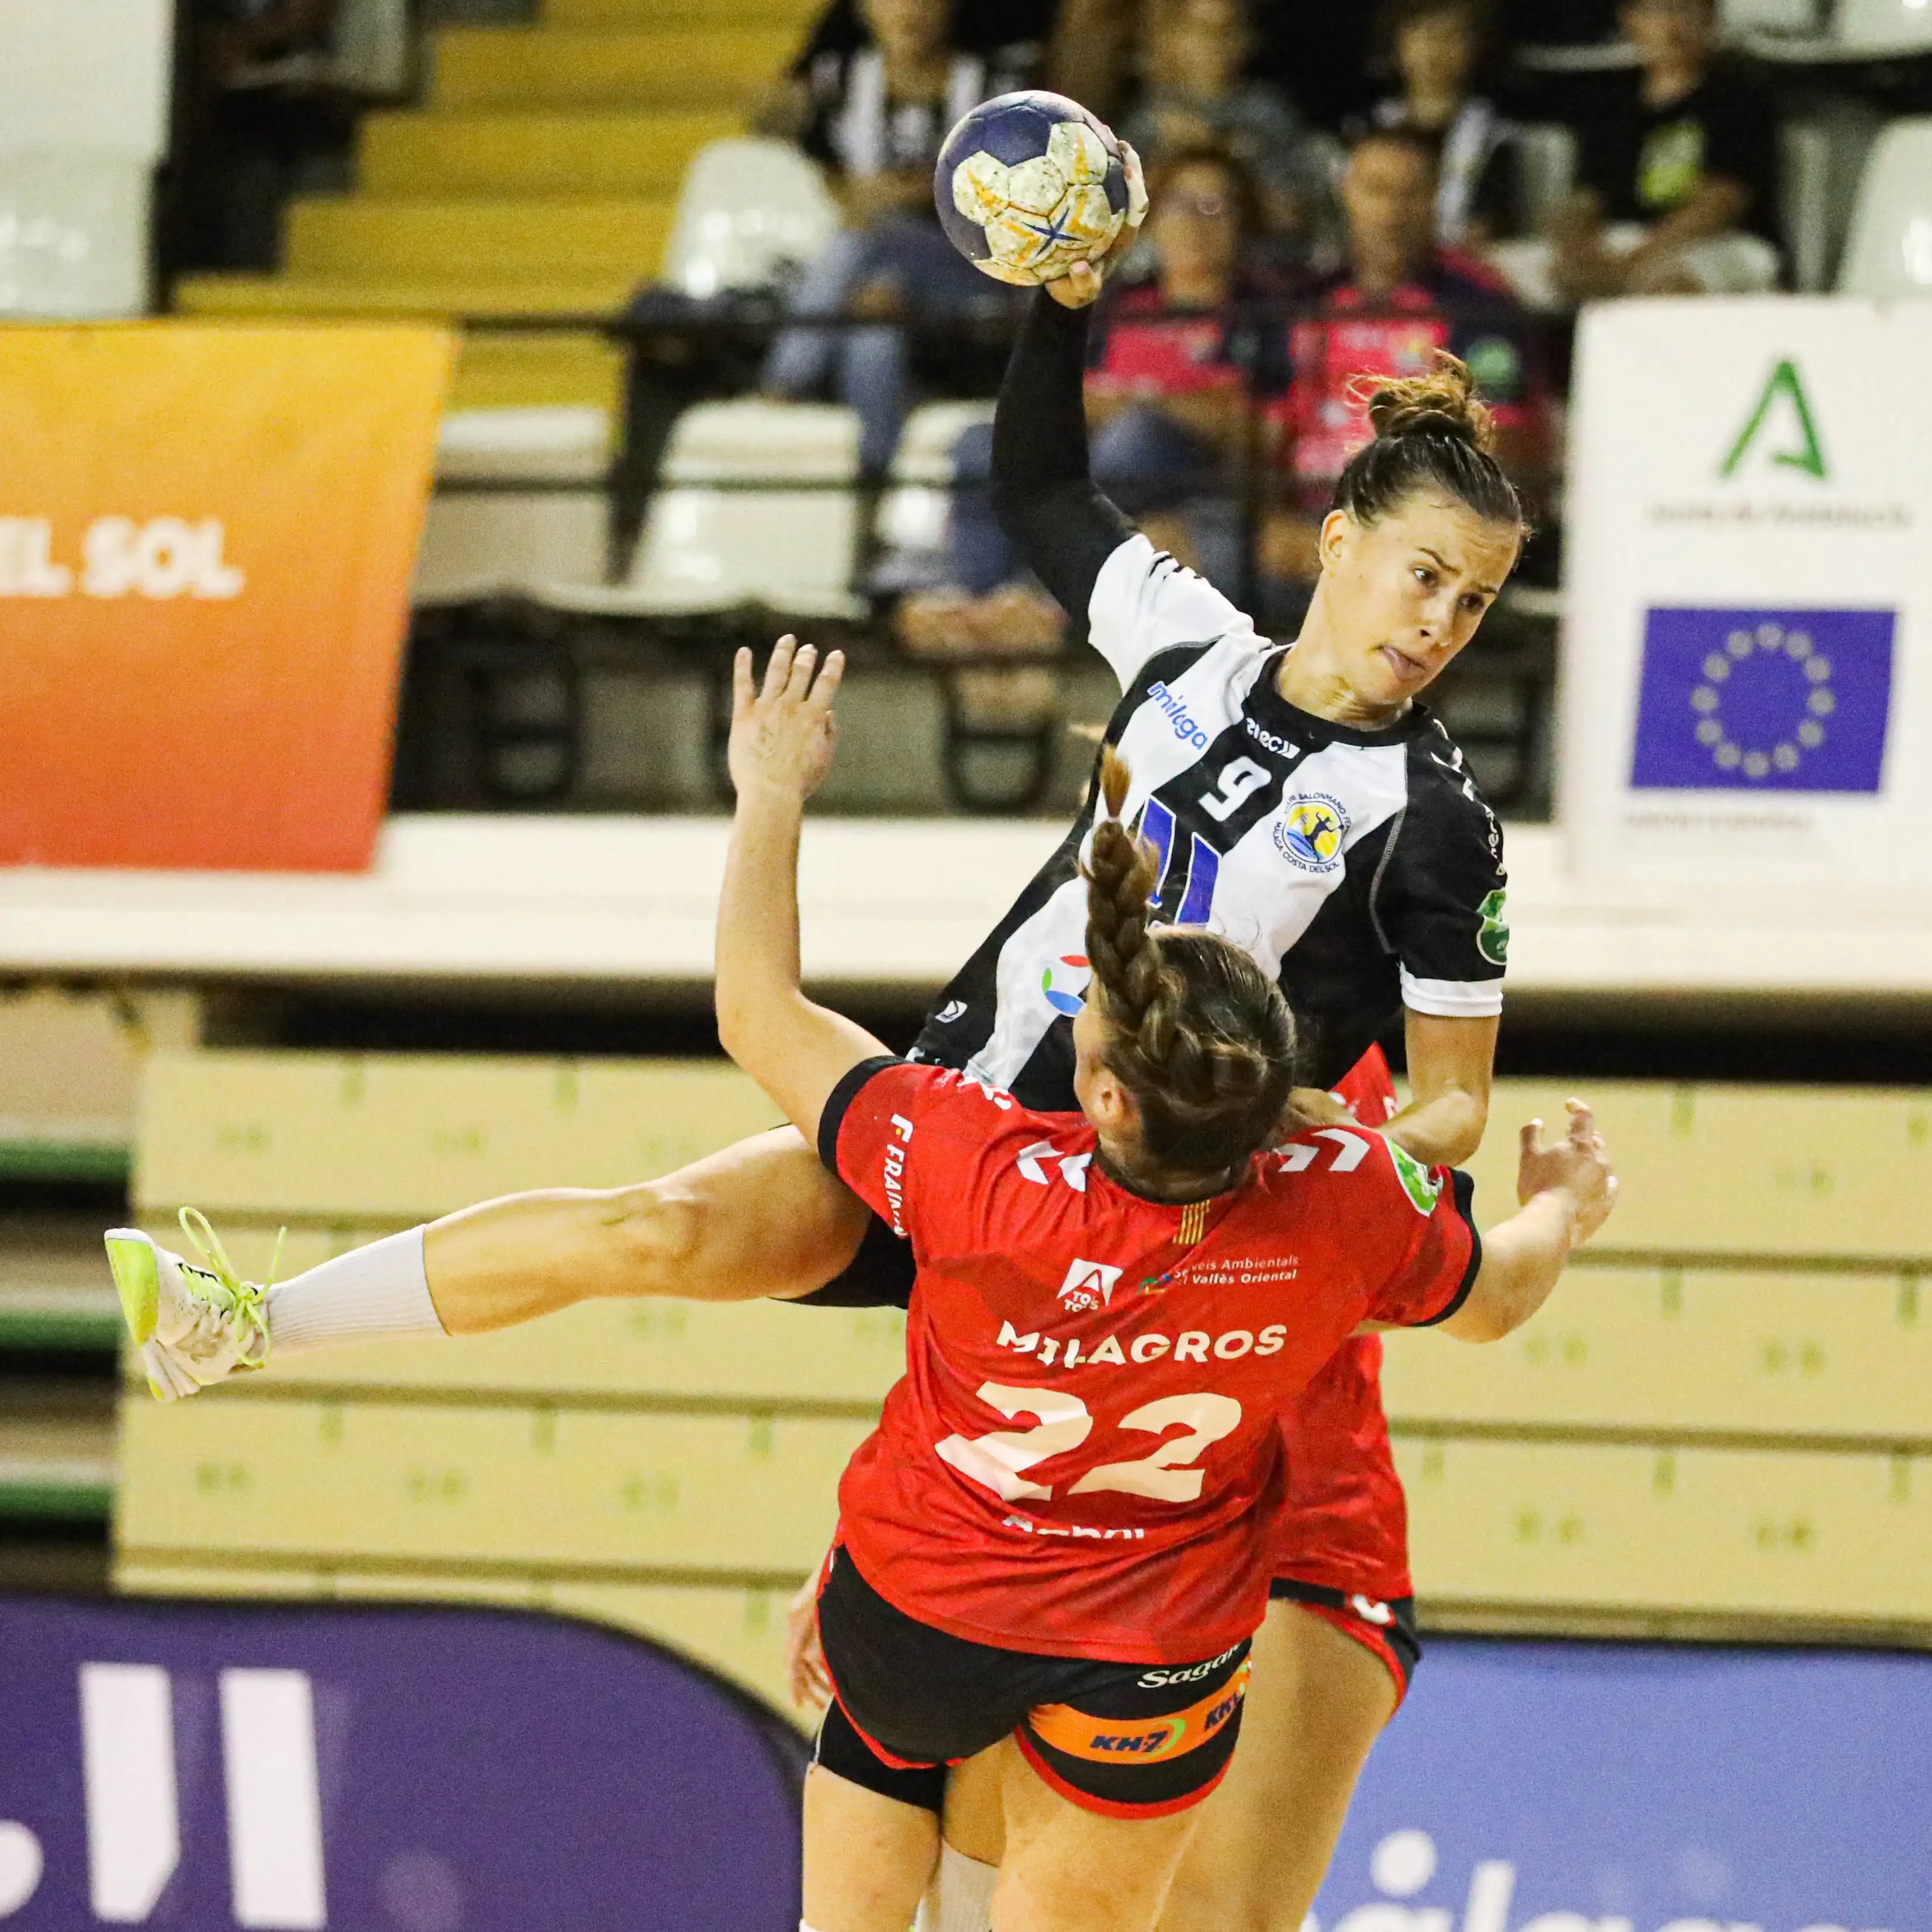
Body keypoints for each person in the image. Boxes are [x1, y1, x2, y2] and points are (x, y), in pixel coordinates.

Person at [110, 132, 1537, 1932]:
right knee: (657, 1228)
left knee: (1011, 1701)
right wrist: (1055, 310)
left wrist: (1273, 1152)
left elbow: (1454, 1108)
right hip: (946, 1128)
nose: (1437, 622)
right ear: (1335, 541)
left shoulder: (1436, 821)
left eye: (1471, 602)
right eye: (1417, 573)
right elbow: (1036, 495)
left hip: (1101, 1219)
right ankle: (243, 1326)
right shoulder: (1185, 644)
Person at [717, 633, 1617, 1932]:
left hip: (1233, 1544)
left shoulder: (1046, 1140)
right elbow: (1489, 1290)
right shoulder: (1334, 1161)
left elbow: (759, 1011)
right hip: (1117, 1580)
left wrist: (772, 794)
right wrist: (1554, 1208)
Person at [1258, 124, 1549, 595]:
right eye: (1377, 190)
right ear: (1346, 194)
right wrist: (1268, 520)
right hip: (1307, 523)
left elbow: (1504, 446)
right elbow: (1264, 436)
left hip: (1423, 527)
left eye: (1412, 192)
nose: (1393, 211)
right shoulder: (1305, 301)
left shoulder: (1477, 304)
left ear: (1436, 198)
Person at [758, 0, 1029, 474]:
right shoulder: (838, 82)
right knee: (873, 331)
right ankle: (876, 481)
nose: (909, 12)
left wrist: (906, 194)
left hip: (969, 272)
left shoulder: (993, 88)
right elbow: (793, 150)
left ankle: (784, 382)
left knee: (864, 241)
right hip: (875, 278)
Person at [1551, 0, 1781, 299]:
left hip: (1724, 243)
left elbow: (1721, 202)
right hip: (1628, 239)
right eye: (1658, 11)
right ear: (1629, 20)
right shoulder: (1612, 105)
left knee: (1669, 285)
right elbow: (1586, 197)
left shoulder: (1738, 99)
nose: (1673, 28)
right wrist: (1576, 245)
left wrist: (1635, 262)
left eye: (1687, 11)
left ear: (1711, 20)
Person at [1118, 0, 1339, 262]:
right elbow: (1118, 220)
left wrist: (1216, 147)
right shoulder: (1148, 122)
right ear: (1171, 37)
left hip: (1259, 270)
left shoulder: (1268, 115)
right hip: (1165, 273)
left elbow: (1293, 216)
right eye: (1201, 31)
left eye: (1228, 32)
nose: (1215, 46)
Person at [1364, 0, 1519, 249]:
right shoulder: (1372, 129)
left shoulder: (1496, 138)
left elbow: (1494, 226)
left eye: (1450, 37)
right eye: (1421, 35)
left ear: (1474, 49)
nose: (1434, 50)